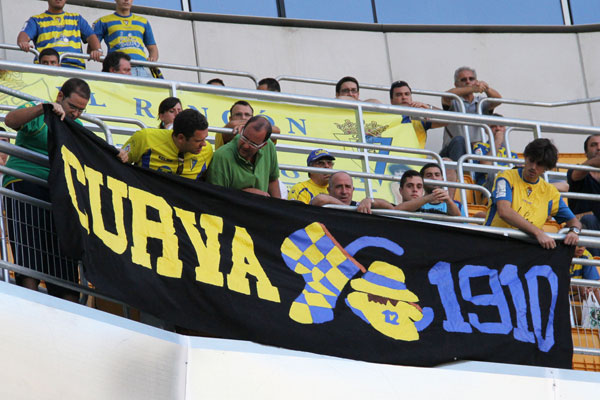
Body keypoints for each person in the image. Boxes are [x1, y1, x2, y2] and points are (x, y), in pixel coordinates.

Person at [3, 77, 91, 302]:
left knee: (61, 256)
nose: (76, 114)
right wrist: (44, 108)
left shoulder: (76, 126)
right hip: (24, 184)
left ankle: (68, 305)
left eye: (82, 110)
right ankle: (29, 301)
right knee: (29, 247)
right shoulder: (39, 111)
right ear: (60, 96)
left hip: (58, 194)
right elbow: (11, 120)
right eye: (73, 107)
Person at [485, 138, 581, 249]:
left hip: (525, 250)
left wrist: (574, 231)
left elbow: (574, 221)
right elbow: (504, 211)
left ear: (547, 168)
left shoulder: (550, 193)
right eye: (531, 160)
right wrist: (538, 232)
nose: (533, 167)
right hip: (493, 243)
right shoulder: (505, 176)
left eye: (539, 164)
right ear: (526, 157)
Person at [119, 109, 213, 180]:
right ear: (181, 138)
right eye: (198, 141)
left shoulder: (207, 151)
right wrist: (121, 154)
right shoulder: (145, 138)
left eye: (205, 138)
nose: (204, 144)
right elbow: (119, 163)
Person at [207, 116, 281, 197]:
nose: (245, 146)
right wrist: (244, 194)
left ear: (263, 145)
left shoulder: (269, 146)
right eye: (244, 138)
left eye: (253, 144)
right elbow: (215, 198)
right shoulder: (221, 157)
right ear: (241, 130)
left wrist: (279, 206)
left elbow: (273, 180)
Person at [440, 66, 502, 161]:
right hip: (453, 151)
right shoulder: (454, 101)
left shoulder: (481, 102)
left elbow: (498, 100)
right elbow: (446, 96)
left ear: (476, 81)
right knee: (459, 140)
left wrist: (486, 88)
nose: (468, 82)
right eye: (463, 79)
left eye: (471, 79)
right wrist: (473, 89)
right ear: (456, 84)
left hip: (475, 151)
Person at [18, 0, 102, 69]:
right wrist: (24, 43)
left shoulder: (77, 18)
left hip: (74, 69)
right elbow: (24, 35)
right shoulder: (36, 20)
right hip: (46, 68)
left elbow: (91, 36)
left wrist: (97, 50)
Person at [92, 0, 158, 77]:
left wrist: (152, 60)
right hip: (120, 69)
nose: (126, 0)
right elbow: (92, 47)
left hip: (143, 68)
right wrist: (99, 54)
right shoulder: (103, 21)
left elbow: (152, 48)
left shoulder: (143, 21)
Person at [567, 134, 600, 255]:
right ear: (586, 152)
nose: (599, 148)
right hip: (583, 228)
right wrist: (592, 163)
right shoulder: (576, 170)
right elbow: (576, 175)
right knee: (589, 219)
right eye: (593, 145)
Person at [390, 80, 446, 149]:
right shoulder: (386, 117)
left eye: (407, 94)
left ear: (411, 97)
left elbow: (448, 120)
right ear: (391, 101)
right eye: (399, 95)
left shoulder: (419, 117)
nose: (404, 97)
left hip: (416, 158)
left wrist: (429, 107)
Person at [310, 171, 394, 214]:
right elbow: (320, 199)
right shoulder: (323, 205)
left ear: (353, 190)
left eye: (348, 187)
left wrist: (370, 201)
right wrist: (348, 209)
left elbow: (390, 208)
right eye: (339, 187)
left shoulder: (358, 206)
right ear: (329, 190)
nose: (344, 191)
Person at [472, 114, 518, 189]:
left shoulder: (512, 154)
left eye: (501, 126)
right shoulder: (480, 146)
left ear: (505, 129)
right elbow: (485, 165)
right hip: (488, 188)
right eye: (493, 126)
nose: (497, 129)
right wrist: (497, 142)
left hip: (509, 187)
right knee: (494, 174)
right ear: (486, 130)